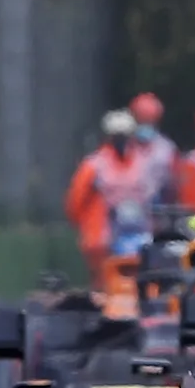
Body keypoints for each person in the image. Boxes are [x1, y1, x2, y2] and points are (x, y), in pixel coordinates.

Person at [62, 110, 154, 293]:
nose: (121, 140)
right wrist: (88, 228)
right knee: (104, 285)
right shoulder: (94, 165)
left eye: (125, 135)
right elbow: (75, 202)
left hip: (138, 234)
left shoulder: (142, 164)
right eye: (117, 136)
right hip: (104, 239)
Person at [124, 91, 179, 206]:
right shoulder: (124, 146)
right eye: (141, 121)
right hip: (129, 204)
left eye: (149, 121)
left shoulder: (167, 149)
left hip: (159, 205)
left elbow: (174, 183)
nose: (145, 125)